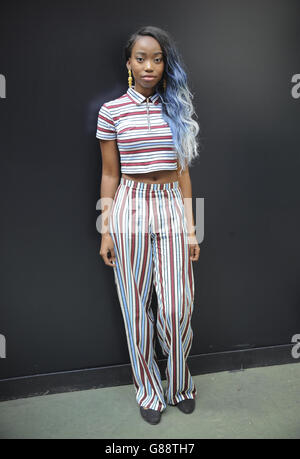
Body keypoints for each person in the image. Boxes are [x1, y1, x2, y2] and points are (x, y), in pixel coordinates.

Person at [96, 25, 201, 425]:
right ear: (129, 63)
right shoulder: (112, 111)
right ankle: (149, 389)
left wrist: (193, 229)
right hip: (130, 206)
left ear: (164, 63)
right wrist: (106, 228)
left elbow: (185, 175)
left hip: (172, 204)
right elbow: (109, 174)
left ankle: (179, 384)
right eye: (141, 58)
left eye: (157, 58)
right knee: (135, 307)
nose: (149, 66)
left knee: (177, 307)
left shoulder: (177, 106)